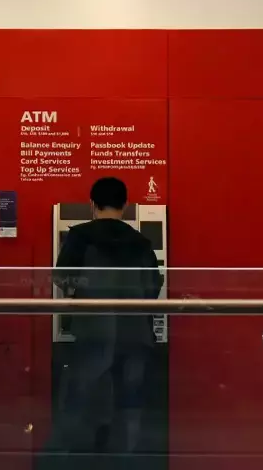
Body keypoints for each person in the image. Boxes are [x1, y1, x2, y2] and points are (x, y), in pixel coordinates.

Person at [48, 176, 163, 462]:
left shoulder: (80, 237)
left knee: (82, 396)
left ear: (92, 204)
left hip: (93, 329)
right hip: (135, 333)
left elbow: (62, 277)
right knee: (130, 401)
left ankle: (79, 458)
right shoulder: (141, 242)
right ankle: (125, 458)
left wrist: (78, 293)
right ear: (125, 204)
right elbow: (153, 285)